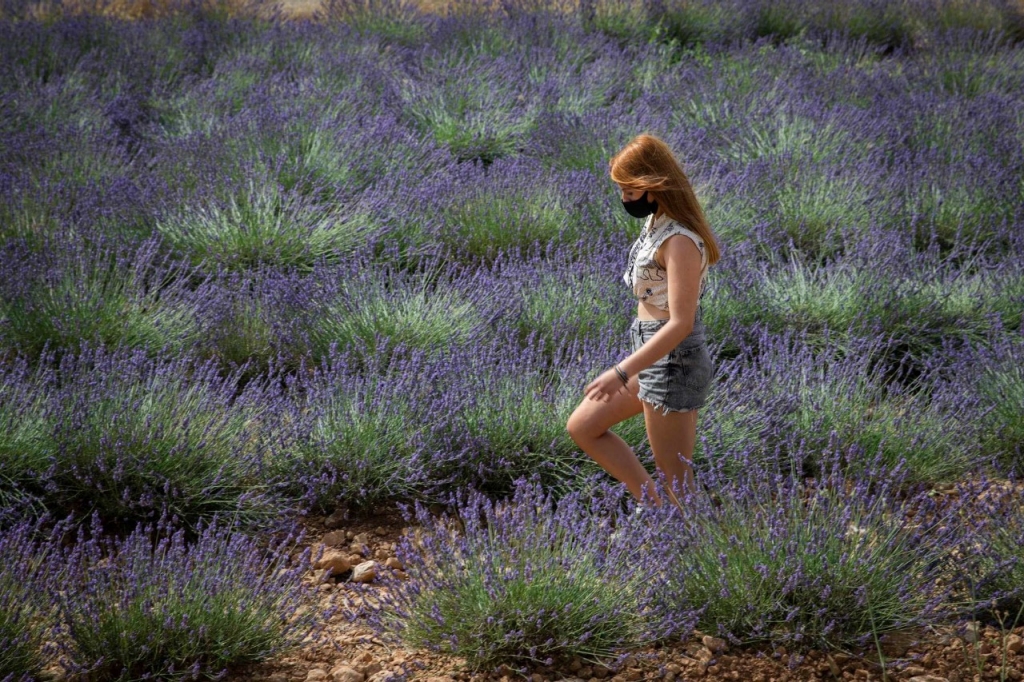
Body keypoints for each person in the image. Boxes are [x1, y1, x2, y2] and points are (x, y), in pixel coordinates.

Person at [566, 133, 720, 510]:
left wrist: (620, 371)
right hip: (652, 355)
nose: (624, 200)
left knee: (678, 483)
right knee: (583, 427)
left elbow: (680, 323)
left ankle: (695, 552)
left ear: (654, 186)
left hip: (673, 361)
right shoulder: (656, 223)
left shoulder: (680, 241)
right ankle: (653, 510)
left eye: (629, 191)